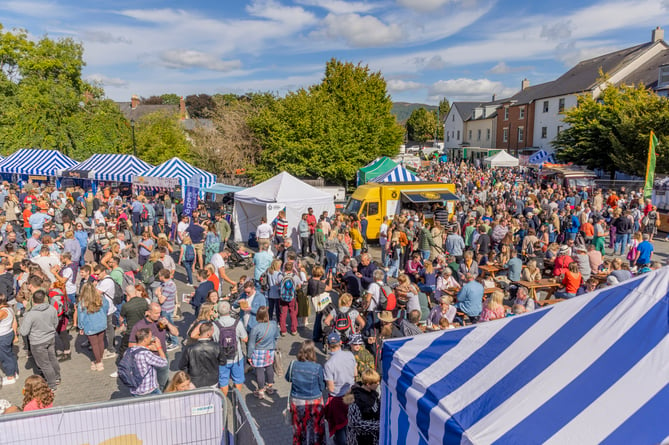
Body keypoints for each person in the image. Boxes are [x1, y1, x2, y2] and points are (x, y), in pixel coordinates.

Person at [128, 303, 177, 391]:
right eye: (156, 313)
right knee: (149, 384)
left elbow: (176, 333)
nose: (159, 315)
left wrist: (168, 323)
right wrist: (149, 348)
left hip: (162, 356)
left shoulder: (161, 321)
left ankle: (163, 398)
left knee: (164, 382)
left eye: (159, 313)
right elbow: (131, 346)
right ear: (148, 312)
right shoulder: (139, 326)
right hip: (147, 359)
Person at [285, 340, 326, 445]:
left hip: (297, 401)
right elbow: (322, 386)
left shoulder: (293, 364)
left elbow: (287, 378)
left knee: (299, 427)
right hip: (314, 402)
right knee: (316, 428)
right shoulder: (317, 367)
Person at [19, 289, 61, 390]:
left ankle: (52, 385)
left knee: (44, 364)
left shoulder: (30, 315)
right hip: (51, 338)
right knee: (52, 358)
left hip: (37, 342)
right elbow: (56, 323)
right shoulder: (52, 309)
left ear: (33, 301)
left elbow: (23, 332)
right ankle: (57, 377)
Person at [323, 331, 356, 445]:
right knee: (349, 422)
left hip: (337, 398)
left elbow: (331, 388)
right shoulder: (350, 355)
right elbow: (355, 373)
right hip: (350, 394)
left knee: (339, 427)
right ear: (340, 342)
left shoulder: (328, 364)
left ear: (328, 345)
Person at [214, 301, 248, 396]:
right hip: (236, 357)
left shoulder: (215, 324)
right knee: (238, 379)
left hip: (221, 358)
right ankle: (236, 398)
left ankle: (223, 400)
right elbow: (245, 339)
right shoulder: (237, 323)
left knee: (223, 380)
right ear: (229, 310)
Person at [247, 306, 280, 399]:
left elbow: (251, 344)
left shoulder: (255, 328)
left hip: (258, 351)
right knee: (269, 368)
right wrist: (273, 344)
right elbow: (277, 336)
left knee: (260, 370)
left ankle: (261, 390)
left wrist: (249, 356)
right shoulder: (273, 324)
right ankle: (270, 387)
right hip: (269, 350)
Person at [77, 282, 110, 371]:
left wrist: (81, 327)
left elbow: (81, 317)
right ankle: (100, 358)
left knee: (94, 344)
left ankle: (98, 362)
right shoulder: (101, 298)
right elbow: (107, 307)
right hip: (101, 323)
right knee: (101, 342)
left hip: (90, 326)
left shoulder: (82, 303)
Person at [127, 327, 169, 396]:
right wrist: (159, 347)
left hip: (135, 390)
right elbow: (164, 363)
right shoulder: (146, 354)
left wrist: (148, 347)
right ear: (145, 340)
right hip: (148, 391)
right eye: (150, 336)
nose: (152, 338)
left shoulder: (129, 352)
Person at [179, 321, 220, 388]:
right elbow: (223, 362)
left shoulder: (190, 348)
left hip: (195, 381)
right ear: (208, 334)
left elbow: (182, 366)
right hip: (212, 380)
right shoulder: (216, 346)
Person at [345, 369, 381, 445]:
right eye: (375, 382)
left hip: (371, 438)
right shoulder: (356, 398)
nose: (378, 383)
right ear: (368, 384)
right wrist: (378, 425)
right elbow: (355, 423)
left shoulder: (374, 395)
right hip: (358, 440)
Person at [0, 293, 18, 386]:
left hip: (2, 336)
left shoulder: (2, 311)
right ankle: (15, 372)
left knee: (5, 357)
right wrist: (15, 334)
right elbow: (15, 321)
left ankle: (10, 376)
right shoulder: (9, 307)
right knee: (10, 354)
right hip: (9, 333)